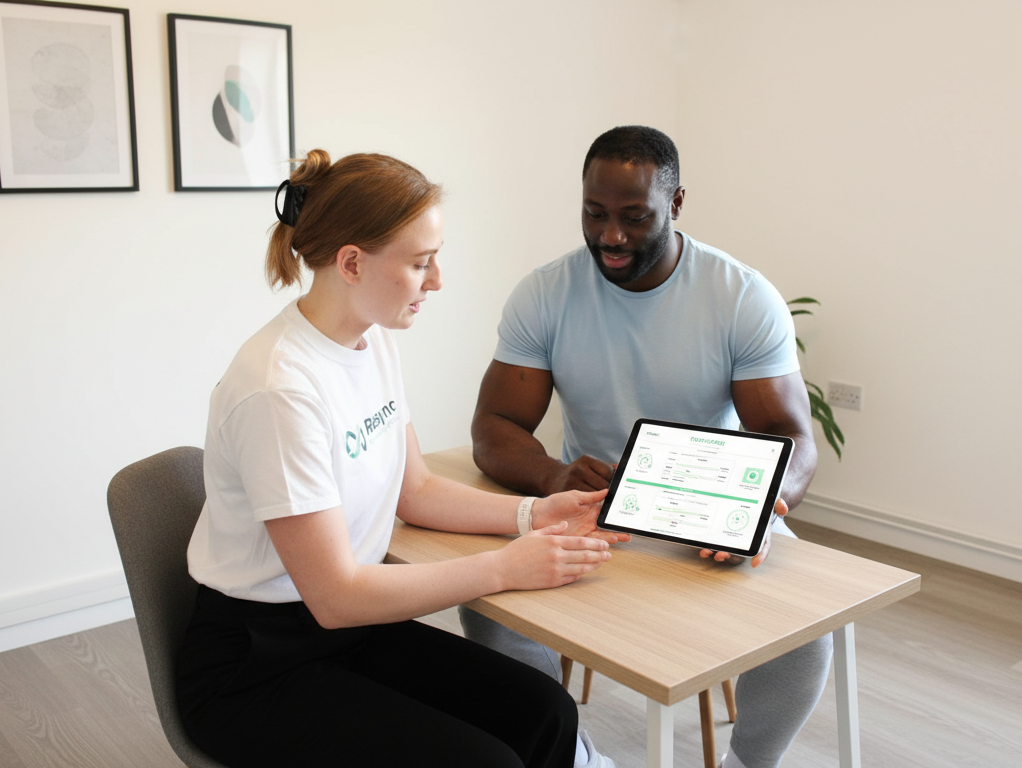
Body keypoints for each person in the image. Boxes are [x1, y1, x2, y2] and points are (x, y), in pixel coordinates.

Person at [176, 150, 628, 768]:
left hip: (347, 635)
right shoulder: (279, 388)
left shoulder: (372, 341)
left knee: (546, 709)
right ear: (353, 263)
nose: (437, 280)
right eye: (420, 263)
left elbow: (414, 490)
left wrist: (534, 515)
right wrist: (505, 568)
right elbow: (336, 595)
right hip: (257, 665)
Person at [464, 126, 831, 768]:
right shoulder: (545, 293)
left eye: (635, 217)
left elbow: (792, 436)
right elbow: (493, 425)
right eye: (595, 214)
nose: (611, 236)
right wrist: (553, 477)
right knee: (487, 604)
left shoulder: (740, 296)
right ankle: (568, 755)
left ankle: (752, 763)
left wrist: (754, 505)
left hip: (707, 509)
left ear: (677, 203)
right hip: (584, 509)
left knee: (808, 631)